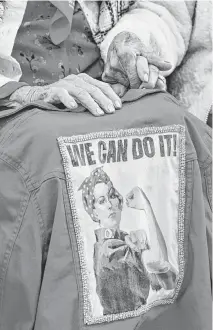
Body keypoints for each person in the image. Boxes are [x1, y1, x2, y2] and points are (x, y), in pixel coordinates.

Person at [0, 1, 212, 330]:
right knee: (46, 158)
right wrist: (18, 92)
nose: (113, 201)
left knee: (175, 129)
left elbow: (161, 8)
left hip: (103, 89)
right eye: (102, 199)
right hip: (14, 99)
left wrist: (129, 41)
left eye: (110, 195)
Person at [79, 167, 176, 315]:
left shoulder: (125, 239)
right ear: (94, 213)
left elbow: (167, 281)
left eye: (111, 196)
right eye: (101, 201)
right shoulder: (108, 249)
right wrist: (146, 207)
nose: (109, 205)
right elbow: (159, 262)